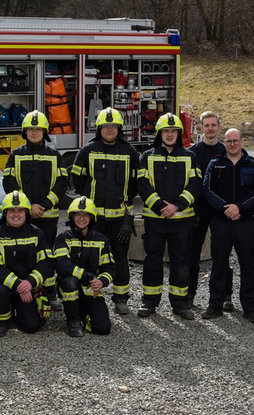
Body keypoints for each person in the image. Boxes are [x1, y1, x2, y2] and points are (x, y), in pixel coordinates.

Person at [71, 107, 139, 315]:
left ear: (120, 128)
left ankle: (121, 298)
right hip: (94, 219)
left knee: (120, 258)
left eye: (113, 126)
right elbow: (77, 179)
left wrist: (129, 219)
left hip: (119, 219)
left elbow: (135, 186)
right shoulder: (87, 151)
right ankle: (91, 294)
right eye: (106, 126)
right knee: (91, 257)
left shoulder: (130, 153)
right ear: (99, 128)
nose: (110, 130)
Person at [137, 112, 201, 320]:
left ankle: (180, 304)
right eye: (166, 131)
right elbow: (142, 184)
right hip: (155, 219)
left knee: (181, 260)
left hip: (182, 219)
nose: (170, 134)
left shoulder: (190, 156)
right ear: (159, 133)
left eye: (174, 131)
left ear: (179, 133)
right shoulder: (147, 156)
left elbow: (196, 185)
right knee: (152, 260)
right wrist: (159, 206)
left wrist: (177, 206)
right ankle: (149, 301)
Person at [2, 110, 67, 310]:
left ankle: (49, 293)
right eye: (31, 129)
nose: (34, 132)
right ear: (25, 131)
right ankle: (24, 289)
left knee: (46, 255)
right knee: (23, 253)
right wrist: (28, 207)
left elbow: (62, 184)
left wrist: (45, 205)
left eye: (38, 129)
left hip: (47, 216)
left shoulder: (55, 155)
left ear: (44, 131)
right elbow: (9, 182)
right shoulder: (16, 154)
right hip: (23, 216)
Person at [201, 129, 254, 323]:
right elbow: (207, 189)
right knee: (219, 265)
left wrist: (239, 207)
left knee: (248, 266)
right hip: (221, 222)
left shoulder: (253, 164)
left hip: (245, 222)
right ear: (225, 142)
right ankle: (215, 305)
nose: (233, 144)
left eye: (236, 141)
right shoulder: (215, 164)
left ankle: (249, 308)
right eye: (229, 141)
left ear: (242, 141)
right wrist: (224, 208)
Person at [0, 191, 54, 336]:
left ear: (27, 213)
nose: (16, 214)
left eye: (20, 210)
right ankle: (1, 321)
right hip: (6, 286)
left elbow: (46, 263)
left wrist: (30, 282)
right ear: (4, 213)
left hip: (28, 287)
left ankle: (18, 312)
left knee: (31, 326)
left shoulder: (37, 233)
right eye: (11, 210)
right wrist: (18, 285)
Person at [54, 196, 114, 337]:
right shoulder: (63, 238)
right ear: (72, 217)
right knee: (70, 282)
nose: (82, 219)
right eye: (78, 215)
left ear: (92, 218)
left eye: (86, 215)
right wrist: (88, 277)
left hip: (91, 289)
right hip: (69, 286)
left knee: (103, 328)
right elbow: (62, 265)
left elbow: (110, 268)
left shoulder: (101, 240)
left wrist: (101, 282)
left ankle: (82, 314)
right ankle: (72, 320)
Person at [187, 110, 227, 309]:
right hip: (198, 209)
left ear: (219, 127)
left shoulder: (227, 150)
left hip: (221, 210)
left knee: (222, 254)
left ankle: (224, 296)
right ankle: (189, 295)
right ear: (200, 128)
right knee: (193, 253)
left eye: (213, 125)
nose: (210, 129)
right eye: (207, 125)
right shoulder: (193, 152)